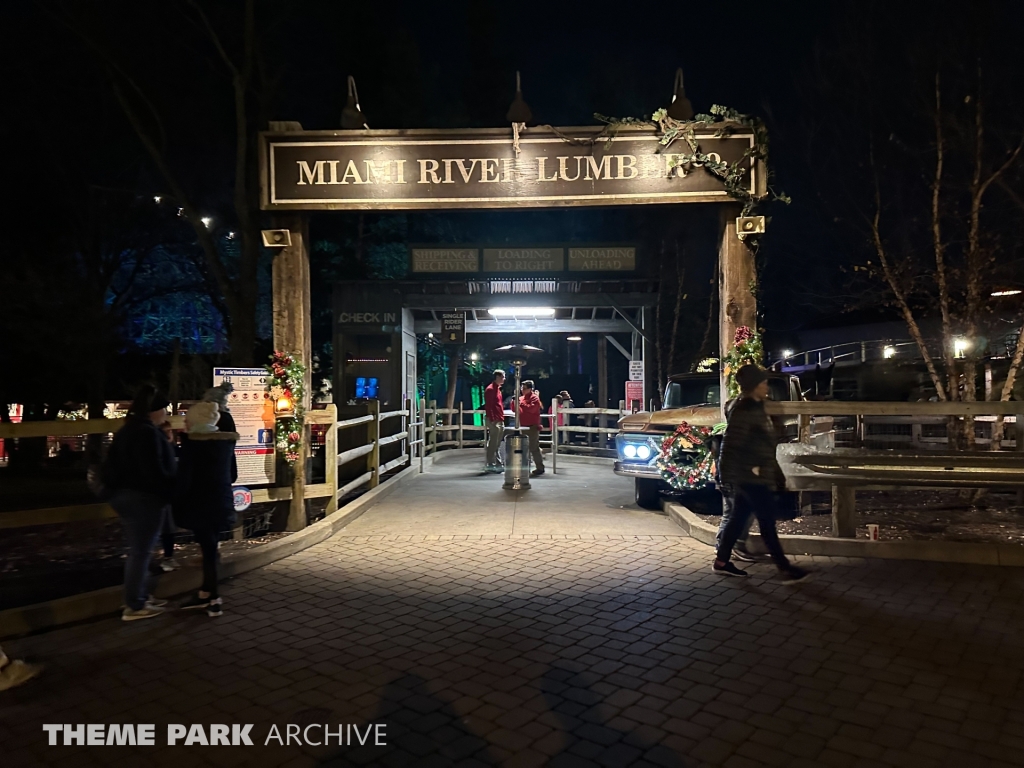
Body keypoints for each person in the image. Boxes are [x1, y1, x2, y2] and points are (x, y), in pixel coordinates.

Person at [714, 364, 810, 584]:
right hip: (750, 476)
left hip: (754, 474)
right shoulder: (745, 410)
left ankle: (721, 561)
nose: (767, 386)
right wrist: (726, 476)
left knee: (738, 519)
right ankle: (784, 568)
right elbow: (731, 444)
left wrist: (776, 473)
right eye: (763, 383)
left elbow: (763, 444)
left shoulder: (755, 407)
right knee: (766, 523)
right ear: (754, 386)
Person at [105, 385, 177, 621]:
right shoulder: (148, 433)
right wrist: (168, 491)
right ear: (153, 411)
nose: (165, 414)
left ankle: (140, 595)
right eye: (163, 409)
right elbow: (154, 470)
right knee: (140, 551)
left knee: (139, 549)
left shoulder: (127, 430)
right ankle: (134, 604)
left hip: (124, 496)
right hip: (144, 499)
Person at [173, 401, 239, 618]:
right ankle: (207, 593)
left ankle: (213, 599)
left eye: (188, 419)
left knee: (209, 549)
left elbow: (184, 480)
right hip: (220, 502)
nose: (185, 422)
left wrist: (174, 499)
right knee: (210, 549)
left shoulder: (192, 446)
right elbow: (232, 475)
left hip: (199, 504)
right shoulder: (225, 444)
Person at [519, 380, 545, 477]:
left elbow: (532, 409)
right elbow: (514, 409)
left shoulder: (534, 398)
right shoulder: (521, 398)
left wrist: (521, 404)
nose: (522, 390)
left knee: (533, 447)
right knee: (525, 448)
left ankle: (540, 467)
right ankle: (526, 467)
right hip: (523, 425)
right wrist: (515, 402)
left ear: (530, 389)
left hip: (532, 426)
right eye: (522, 388)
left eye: (524, 388)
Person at [483, 370, 506, 474]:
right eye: (502, 377)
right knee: (493, 443)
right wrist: (492, 419)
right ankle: (491, 463)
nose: (504, 379)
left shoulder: (497, 389)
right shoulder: (490, 389)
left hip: (499, 418)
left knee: (496, 443)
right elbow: (489, 406)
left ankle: (496, 463)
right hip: (494, 419)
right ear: (497, 377)